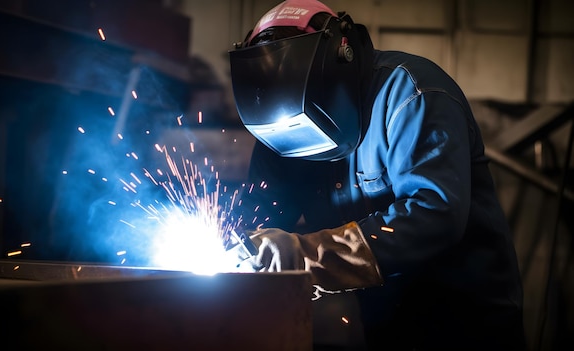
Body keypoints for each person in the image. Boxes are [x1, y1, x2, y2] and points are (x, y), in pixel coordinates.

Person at [226, 0, 527, 350]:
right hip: (384, 321)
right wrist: (234, 243)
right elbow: (263, 208)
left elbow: (436, 214)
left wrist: (305, 255)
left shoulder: (412, 94)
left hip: (465, 322)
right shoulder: (280, 121)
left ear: (340, 60)